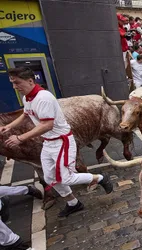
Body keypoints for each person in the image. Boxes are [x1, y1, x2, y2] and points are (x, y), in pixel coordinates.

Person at [2, 67, 113, 217]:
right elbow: (26, 114)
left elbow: (47, 125)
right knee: (49, 177)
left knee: (66, 177)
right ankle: (73, 203)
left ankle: (100, 178)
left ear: (30, 81)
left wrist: (20, 138)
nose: (15, 87)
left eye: (17, 83)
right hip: (48, 142)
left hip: (61, 142)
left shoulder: (43, 98)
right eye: (12, 83)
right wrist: (9, 126)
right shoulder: (27, 97)